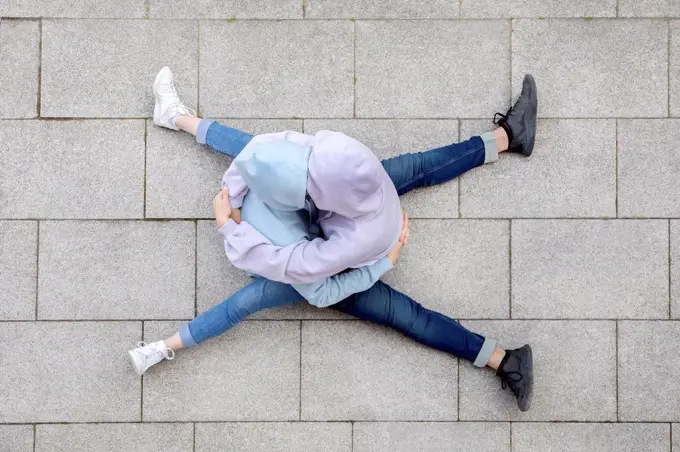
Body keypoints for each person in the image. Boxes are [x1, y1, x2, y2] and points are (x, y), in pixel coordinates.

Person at [129, 67, 537, 411]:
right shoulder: (330, 166)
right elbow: (257, 150)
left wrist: (385, 261)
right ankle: (507, 138)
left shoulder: (322, 248)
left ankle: (503, 361)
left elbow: (322, 289)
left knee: (403, 314)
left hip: (340, 263)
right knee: (419, 166)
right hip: (338, 220)